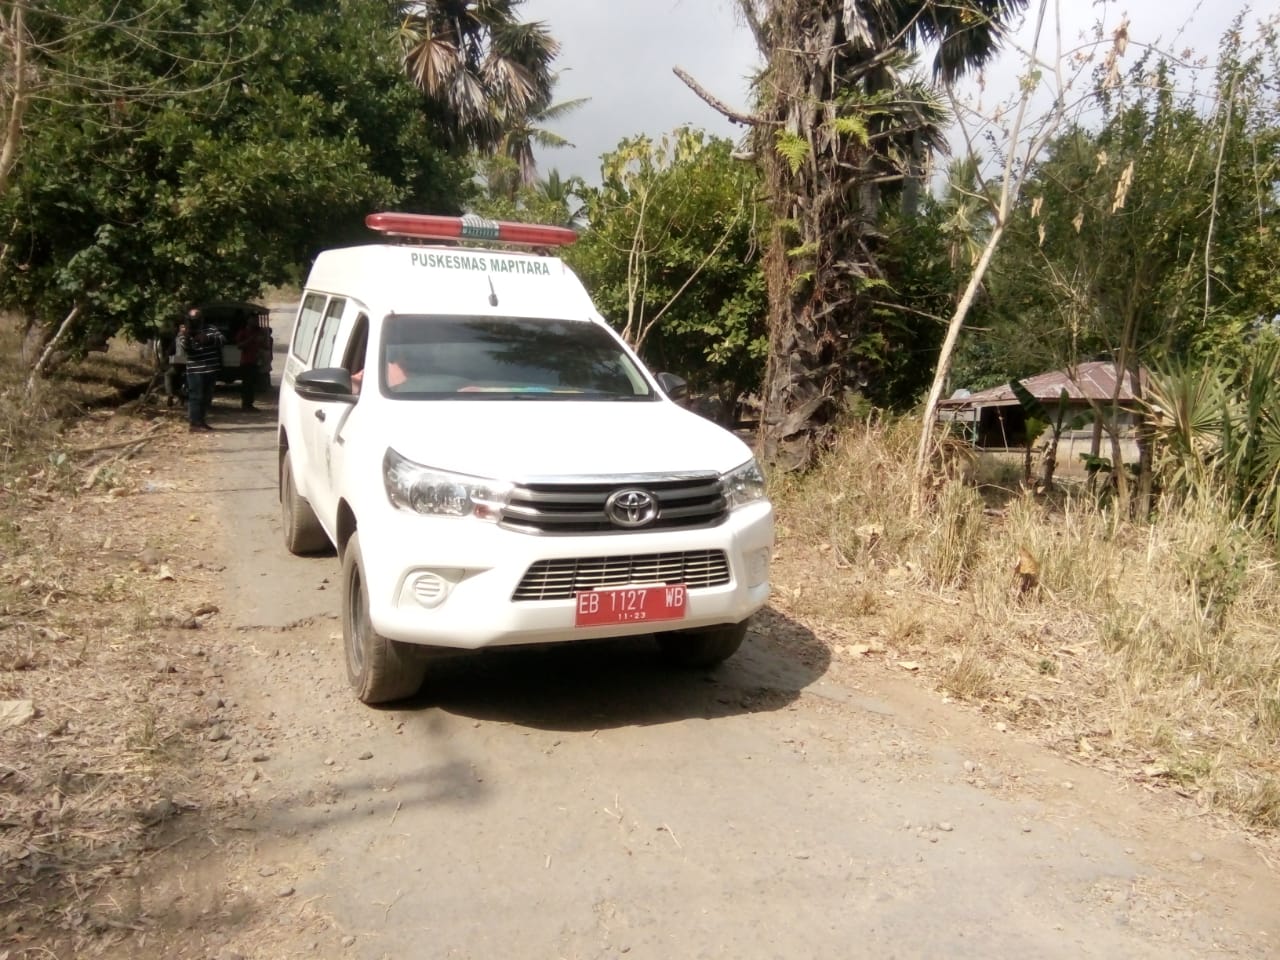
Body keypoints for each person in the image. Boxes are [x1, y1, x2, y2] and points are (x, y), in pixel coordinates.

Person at [178, 307, 224, 431]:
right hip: (195, 370)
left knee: (207, 396)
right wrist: (187, 337)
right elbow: (187, 349)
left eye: (197, 318)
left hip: (210, 368)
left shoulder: (211, 328)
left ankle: (201, 421)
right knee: (195, 396)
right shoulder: (184, 331)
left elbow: (222, 340)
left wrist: (207, 339)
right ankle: (194, 423)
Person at [235, 321, 267, 410]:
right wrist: (251, 339)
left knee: (252, 384)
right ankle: (245, 404)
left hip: (254, 361)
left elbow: (264, 346)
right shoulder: (243, 332)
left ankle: (249, 404)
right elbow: (239, 345)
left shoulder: (257, 332)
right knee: (246, 384)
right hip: (246, 362)